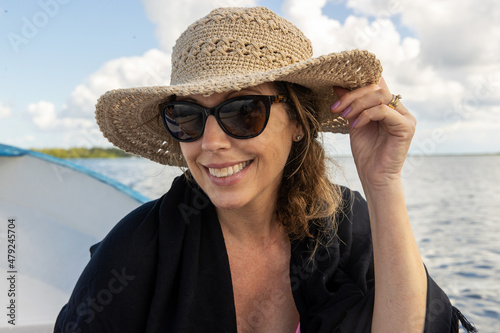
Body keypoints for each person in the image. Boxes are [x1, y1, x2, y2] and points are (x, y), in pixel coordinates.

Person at [54, 6, 476, 333]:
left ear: (296, 122)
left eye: (243, 110)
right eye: (186, 115)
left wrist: (384, 183)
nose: (212, 142)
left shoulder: (349, 226)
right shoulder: (134, 250)